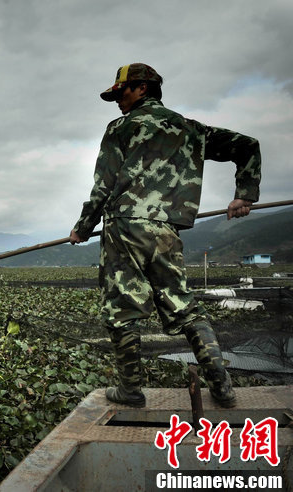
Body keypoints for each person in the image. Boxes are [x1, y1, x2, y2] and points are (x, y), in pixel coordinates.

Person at [70, 63, 261, 408]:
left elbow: (103, 185)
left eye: (121, 92)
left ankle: (130, 390)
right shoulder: (190, 129)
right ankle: (223, 386)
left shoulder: (121, 127)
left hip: (125, 227)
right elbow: (246, 145)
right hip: (165, 230)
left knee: (122, 309)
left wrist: (83, 227)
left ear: (142, 88)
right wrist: (245, 194)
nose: (117, 100)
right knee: (184, 307)